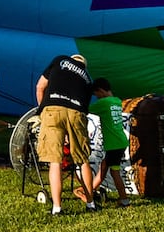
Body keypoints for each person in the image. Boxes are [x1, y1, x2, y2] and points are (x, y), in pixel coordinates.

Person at [34, 53, 96, 215]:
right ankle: (90, 204)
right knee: (83, 160)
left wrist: (41, 111)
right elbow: (84, 109)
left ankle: (57, 208)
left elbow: (40, 86)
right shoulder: (88, 79)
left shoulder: (60, 60)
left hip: (53, 108)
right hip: (77, 112)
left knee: (55, 160)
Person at [89, 78, 132, 207]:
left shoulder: (103, 103)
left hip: (113, 143)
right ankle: (92, 190)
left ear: (100, 91)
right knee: (104, 166)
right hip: (120, 141)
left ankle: (124, 199)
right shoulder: (117, 101)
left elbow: (86, 109)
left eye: (96, 95)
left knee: (114, 172)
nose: (96, 98)